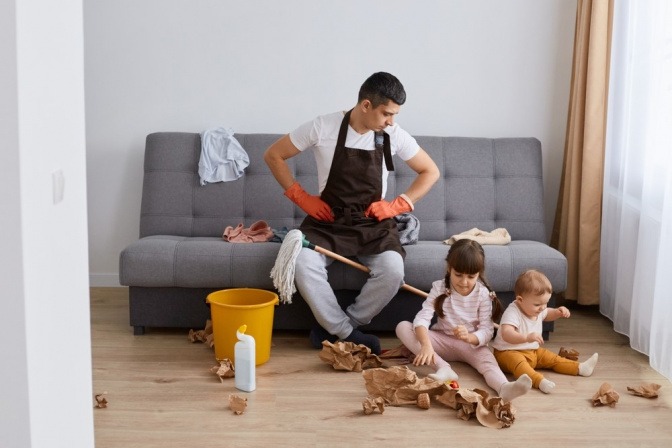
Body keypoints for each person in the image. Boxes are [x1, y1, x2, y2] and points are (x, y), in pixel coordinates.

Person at [264, 72, 440, 355]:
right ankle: (347, 333)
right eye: (386, 113)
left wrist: (398, 205)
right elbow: (274, 155)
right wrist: (302, 198)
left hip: (373, 225)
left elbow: (430, 171)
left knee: (393, 271)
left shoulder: (392, 134)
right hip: (328, 222)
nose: (391, 121)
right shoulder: (323, 126)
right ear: (366, 105)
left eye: (394, 115)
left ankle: (339, 327)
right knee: (302, 264)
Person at [395, 239, 532, 402]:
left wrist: (469, 337)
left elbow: (487, 331)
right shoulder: (439, 288)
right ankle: (443, 368)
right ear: (449, 268)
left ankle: (504, 387)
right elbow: (422, 319)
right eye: (458, 275)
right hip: (441, 342)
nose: (464, 282)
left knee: (488, 362)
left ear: (479, 273)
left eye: (471, 276)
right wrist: (426, 345)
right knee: (403, 327)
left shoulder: (483, 294)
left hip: (471, 345)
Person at [490, 269, 599, 393]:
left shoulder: (540, 309)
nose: (542, 308)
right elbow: (506, 334)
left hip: (532, 351)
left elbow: (547, 314)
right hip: (507, 353)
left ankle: (580, 368)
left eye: (546, 303)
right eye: (537, 305)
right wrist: (526, 337)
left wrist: (558, 312)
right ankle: (539, 381)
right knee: (521, 365)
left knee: (552, 358)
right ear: (520, 300)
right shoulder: (513, 312)